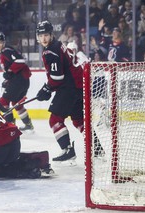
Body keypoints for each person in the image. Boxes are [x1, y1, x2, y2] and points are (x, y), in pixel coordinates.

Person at [35, 20, 104, 163]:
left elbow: (57, 77)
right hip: (79, 87)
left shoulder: (50, 51)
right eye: (41, 36)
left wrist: (46, 89)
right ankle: (97, 149)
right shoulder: (59, 45)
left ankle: (67, 150)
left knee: (55, 120)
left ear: (51, 35)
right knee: (79, 120)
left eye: (46, 35)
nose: (44, 38)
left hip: (69, 88)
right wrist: (48, 88)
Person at [0, 32, 34, 132]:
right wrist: (8, 78)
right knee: (17, 103)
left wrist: (10, 71)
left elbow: (20, 61)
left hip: (19, 81)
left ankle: (11, 127)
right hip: (23, 81)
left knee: (3, 102)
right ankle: (28, 125)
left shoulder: (6, 50)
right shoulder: (7, 50)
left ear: (4, 43)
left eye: (1, 42)